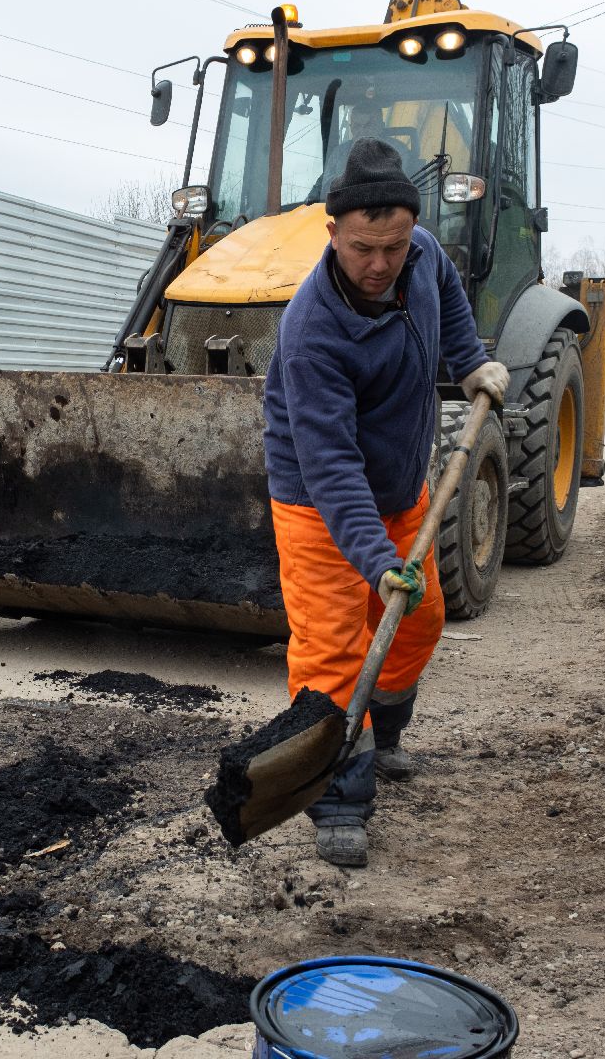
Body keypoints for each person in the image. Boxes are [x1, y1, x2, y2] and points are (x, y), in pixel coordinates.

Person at [262, 139, 508, 867]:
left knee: (420, 619)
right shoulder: (312, 332)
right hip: (319, 501)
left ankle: (382, 732)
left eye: (393, 247)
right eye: (364, 248)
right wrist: (374, 560)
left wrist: (469, 363)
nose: (379, 265)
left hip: (403, 488)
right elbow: (331, 468)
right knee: (332, 653)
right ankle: (336, 795)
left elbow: (450, 299)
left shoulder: (423, 253)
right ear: (333, 233)